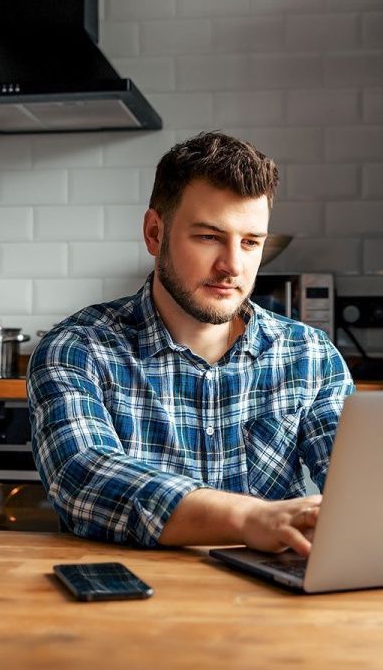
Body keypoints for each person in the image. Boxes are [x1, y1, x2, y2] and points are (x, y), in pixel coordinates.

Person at [27, 131, 355, 556]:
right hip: (127, 602)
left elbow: (360, 490)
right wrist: (249, 518)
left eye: (251, 242)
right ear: (153, 233)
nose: (232, 266)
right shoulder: (77, 350)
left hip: (273, 604)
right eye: (208, 237)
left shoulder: (310, 356)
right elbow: (83, 477)